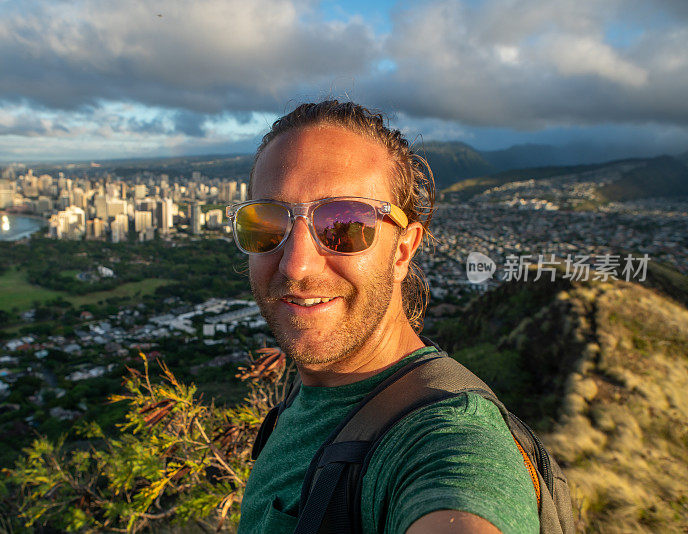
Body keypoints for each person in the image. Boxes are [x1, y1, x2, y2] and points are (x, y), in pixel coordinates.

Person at [231, 101, 539, 533]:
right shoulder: (309, 390)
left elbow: (461, 497)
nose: (296, 265)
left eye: (345, 225)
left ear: (402, 250)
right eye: (265, 223)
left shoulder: (445, 435)